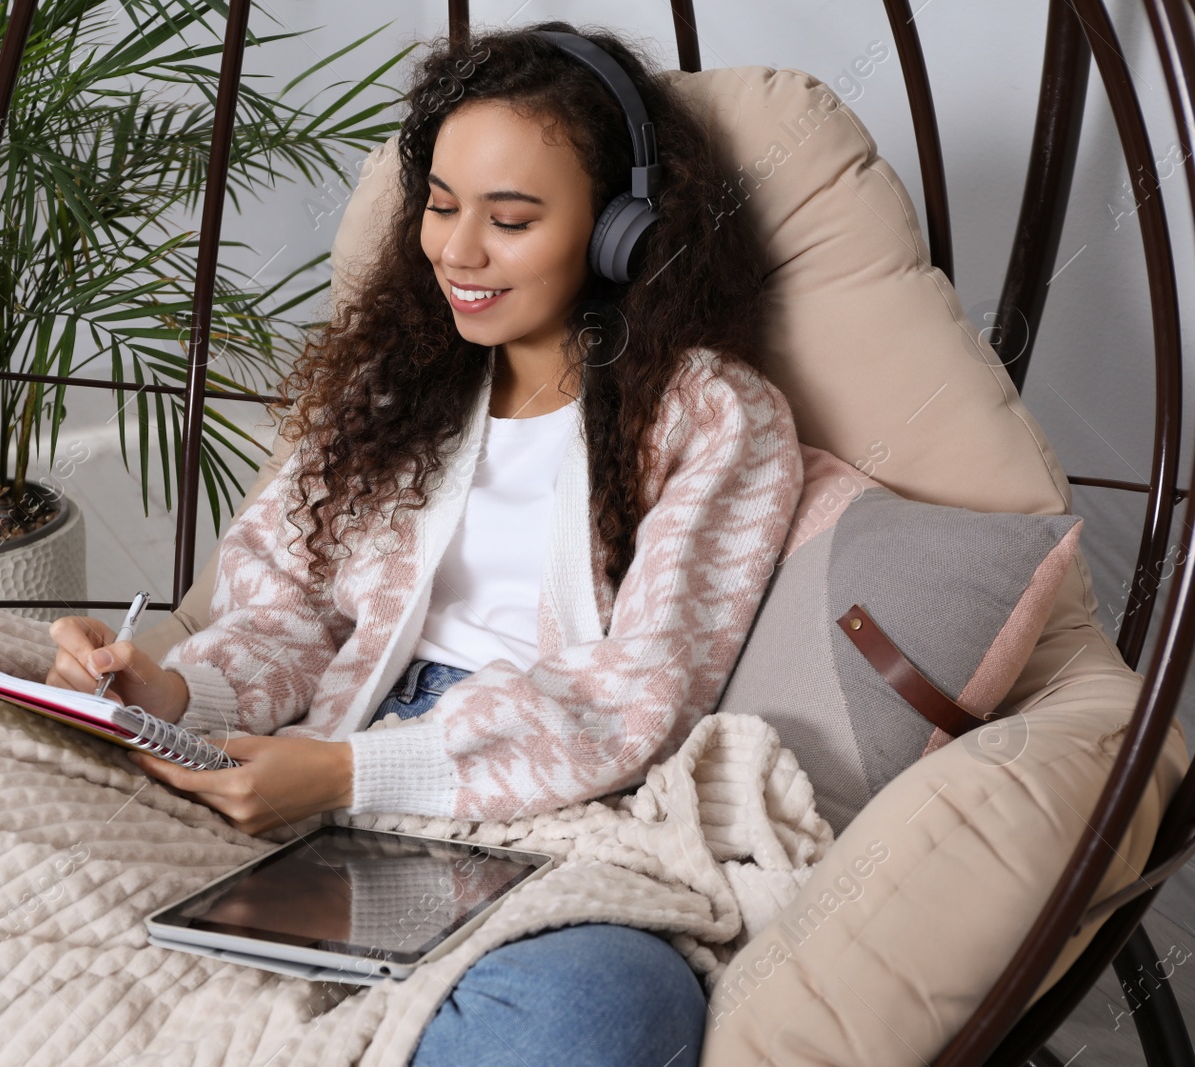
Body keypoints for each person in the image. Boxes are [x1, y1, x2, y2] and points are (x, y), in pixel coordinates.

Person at [47, 20, 803, 1067]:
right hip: (323, 748)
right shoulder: (393, 391)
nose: (456, 250)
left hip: (546, 797)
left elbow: (641, 690)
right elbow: (287, 611)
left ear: (620, 227)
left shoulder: (711, 416)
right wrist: (172, 697)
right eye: (441, 206)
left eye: (511, 219)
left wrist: (351, 772)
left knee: (600, 1013)